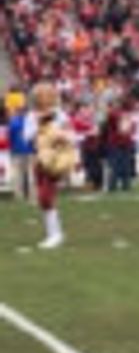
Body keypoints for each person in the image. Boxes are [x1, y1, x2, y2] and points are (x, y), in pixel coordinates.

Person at [29, 83, 78, 250]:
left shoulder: (60, 114)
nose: (43, 98)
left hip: (55, 158)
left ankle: (55, 235)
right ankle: (52, 233)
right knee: (42, 198)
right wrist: (40, 127)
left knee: (46, 196)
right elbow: (27, 136)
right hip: (40, 158)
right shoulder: (32, 116)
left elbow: (71, 135)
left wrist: (60, 136)